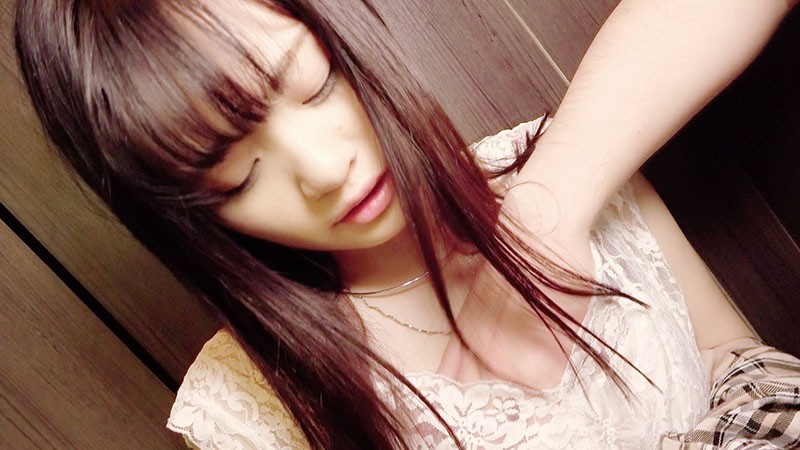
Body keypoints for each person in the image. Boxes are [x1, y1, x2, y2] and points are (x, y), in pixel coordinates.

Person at [13, 0, 799, 448]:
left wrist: (550, 199)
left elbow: (736, 361)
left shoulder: (573, 152)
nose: (325, 169)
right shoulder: (246, 400)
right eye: (235, 170)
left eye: (311, 86)